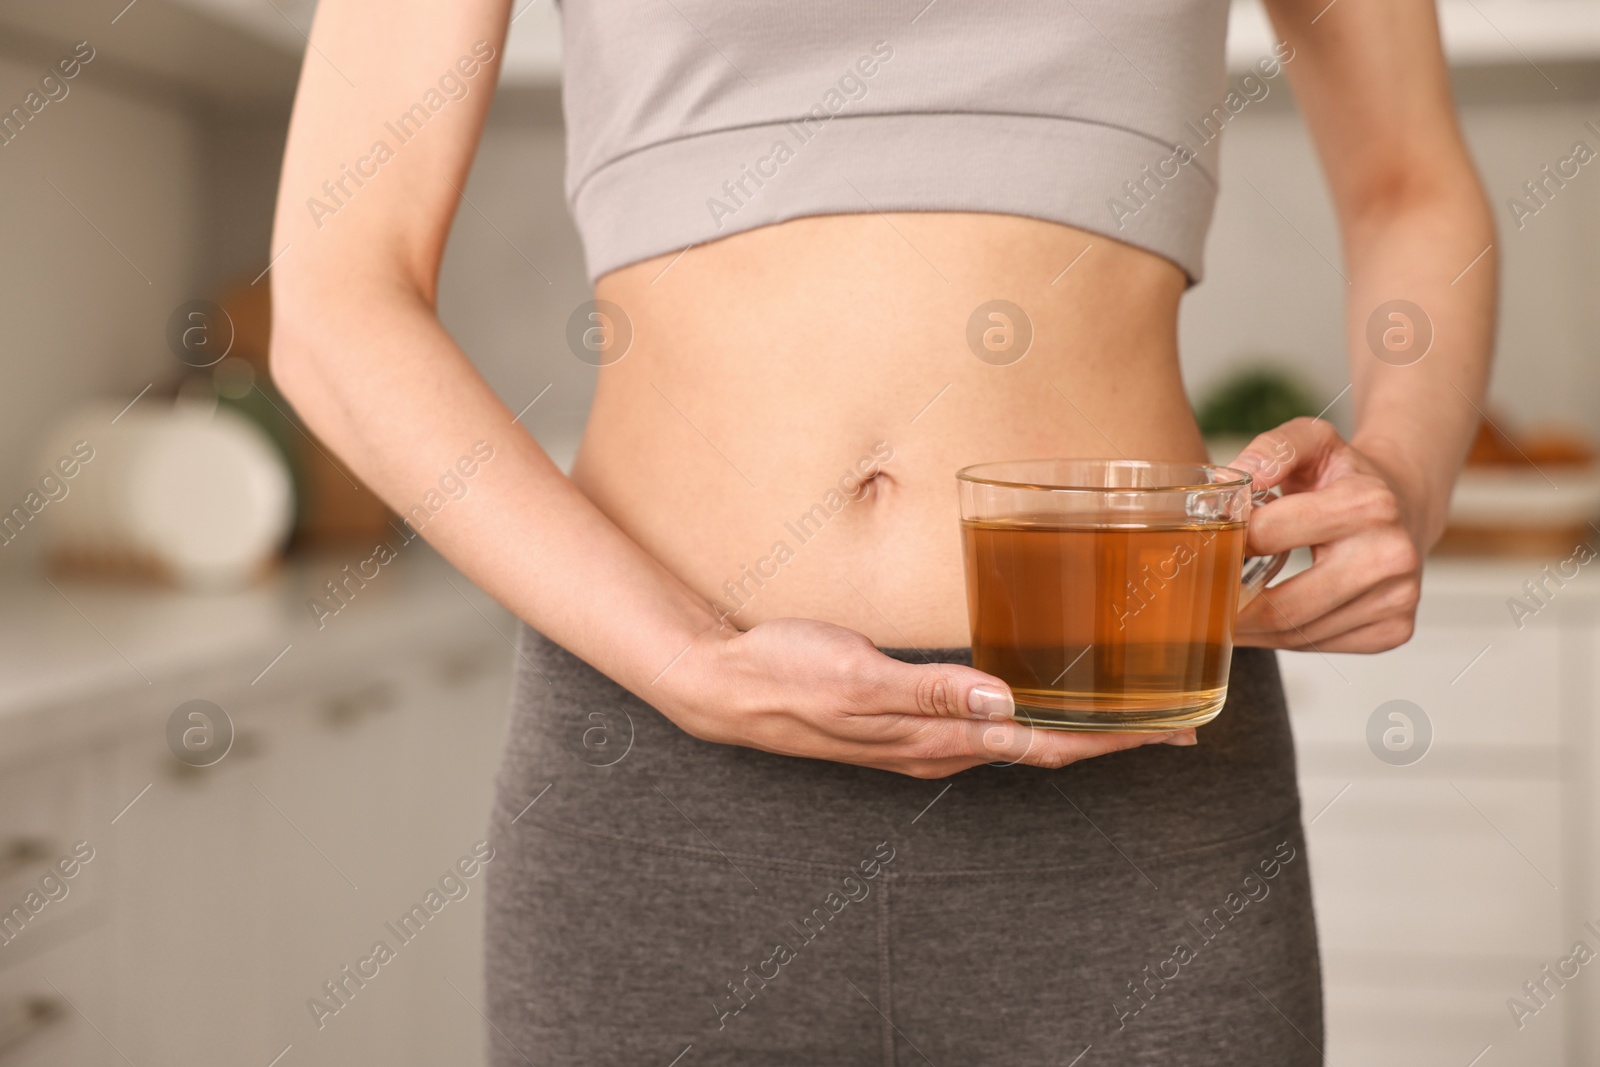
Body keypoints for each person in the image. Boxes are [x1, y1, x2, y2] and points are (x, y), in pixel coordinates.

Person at [269, 1, 1494, 1063]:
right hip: (661, 797)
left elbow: (1407, 179)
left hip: (1131, 775)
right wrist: (686, 660)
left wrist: (1403, 474)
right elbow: (337, 291)